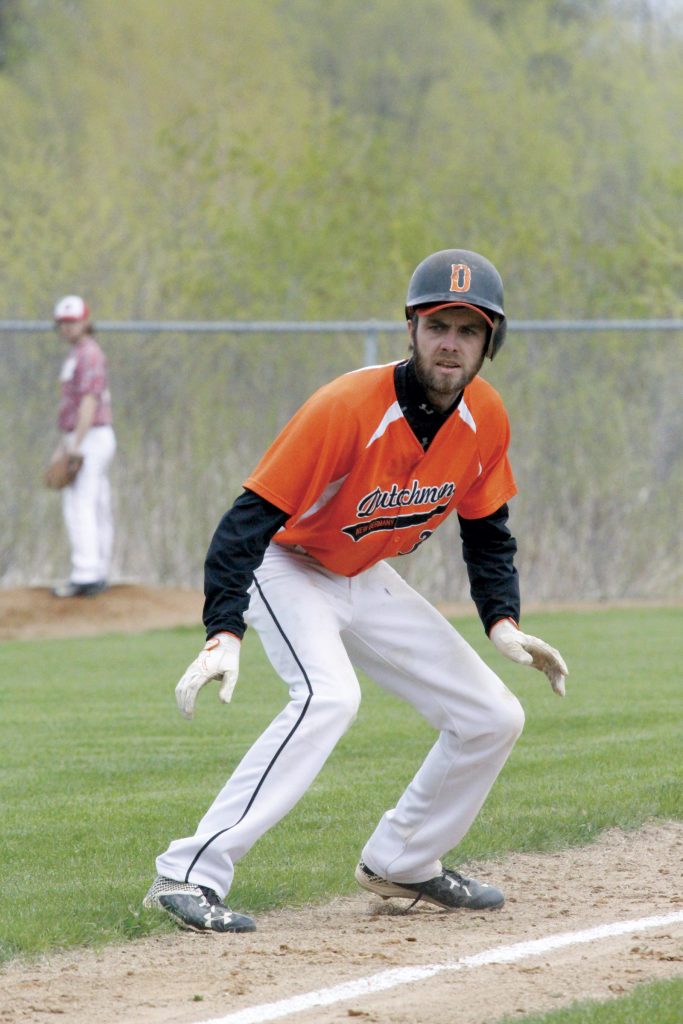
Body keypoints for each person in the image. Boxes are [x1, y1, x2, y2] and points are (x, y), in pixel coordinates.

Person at [143, 249, 568, 933]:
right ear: (411, 330)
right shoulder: (347, 406)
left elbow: (488, 531)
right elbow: (242, 525)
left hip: (362, 574)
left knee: (492, 716)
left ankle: (403, 859)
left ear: (491, 340)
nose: (449, 342)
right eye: (437, 325)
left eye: (467, 329)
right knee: (328, 696)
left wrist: (503, 624)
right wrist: (224, 630)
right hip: (286, 565)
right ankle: (187, 874)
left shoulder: (484, 417)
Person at [50, 295, 116, 598]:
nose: (67, 327)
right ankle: (97, 569)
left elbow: (89, 400)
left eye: (72, 321)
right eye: (62, 322)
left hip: (89, 436)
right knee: (97, 501)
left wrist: (75, 445)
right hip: (87, 435)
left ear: (86, 321)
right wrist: (65, 444)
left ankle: (86, 573)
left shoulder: (88, 353)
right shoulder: (80, 353)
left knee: (80, 503)